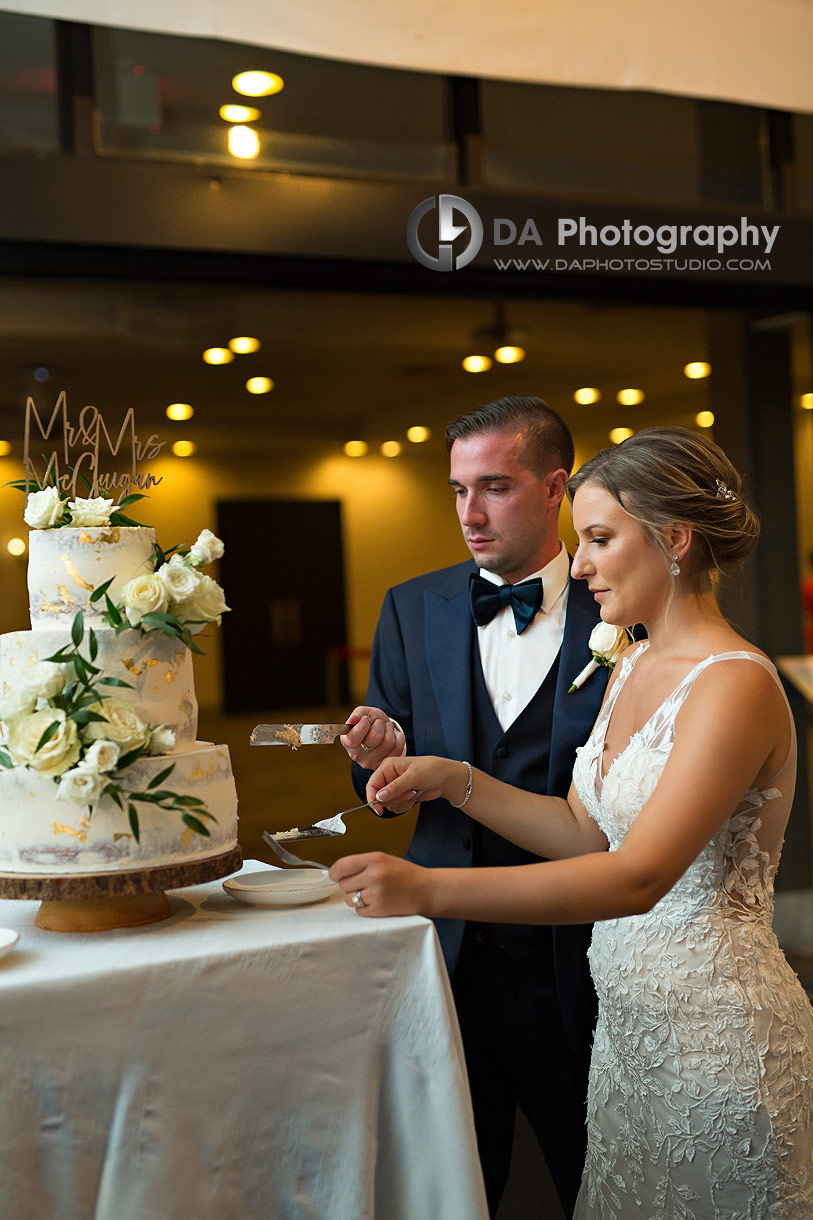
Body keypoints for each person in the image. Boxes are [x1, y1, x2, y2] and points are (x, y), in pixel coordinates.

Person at [333, 426, 813, 1219]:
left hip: (717, 1043)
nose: (578, 562)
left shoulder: (734, 686)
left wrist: (427, 887)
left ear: (675, 542)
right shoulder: (627, 660)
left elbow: (635, 877)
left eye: (597, 539)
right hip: (627, 1038)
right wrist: (457, 780)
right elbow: (584, 832)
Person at [339, 396, 608, 1218]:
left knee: (594, 1176)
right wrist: (378, 765)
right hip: (444, 959)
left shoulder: (621, 608)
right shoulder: (411, 606)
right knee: (452, 1187)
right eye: (457, 490)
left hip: (584, 953)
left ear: (555, 487)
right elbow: (380, 784)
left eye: (493, 486)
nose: (469, 512)